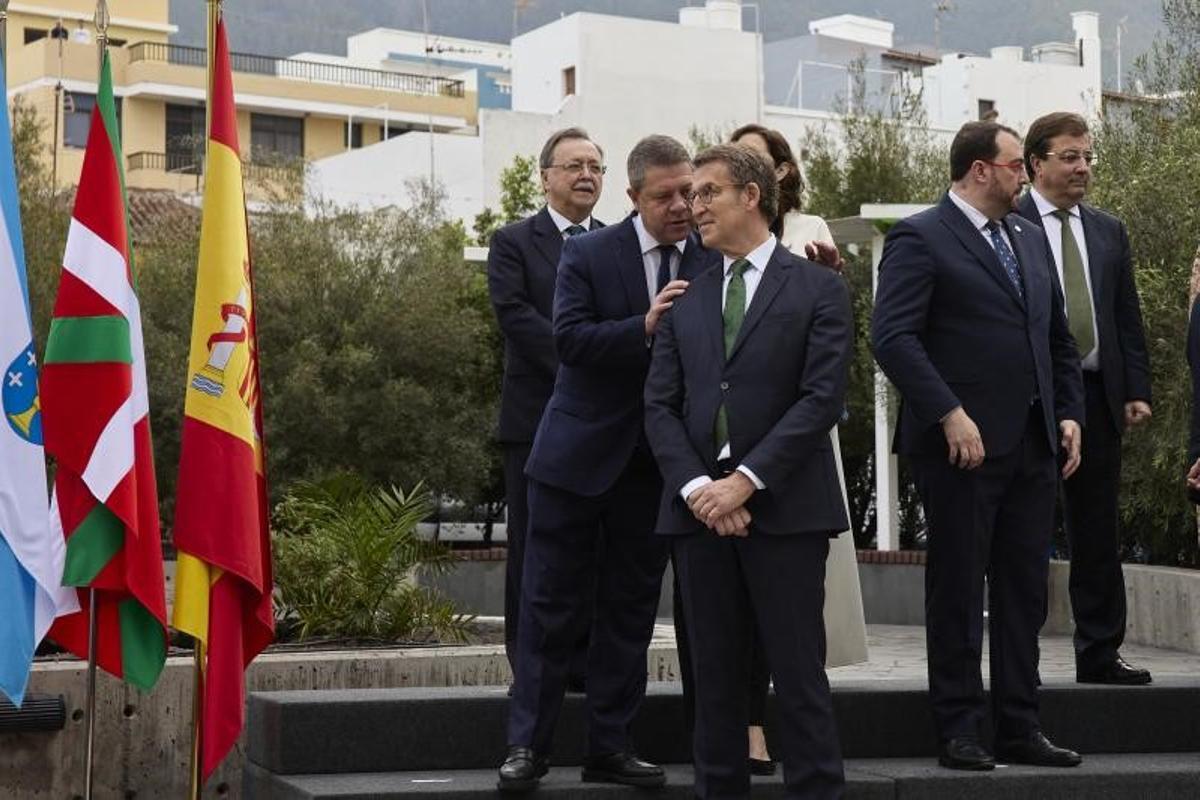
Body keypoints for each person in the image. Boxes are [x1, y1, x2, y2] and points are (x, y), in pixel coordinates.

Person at [499, 134, 718, 793]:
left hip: (654, 469)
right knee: (548, 608)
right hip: (575, 460)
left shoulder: (711, 259)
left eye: (690, 192)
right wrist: (642, 327)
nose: (681, 206)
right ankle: (525, 748)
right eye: (666, 195)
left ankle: (611, 747)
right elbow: (568, 339)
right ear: (635, 197)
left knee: (629, 611)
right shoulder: (591, 252)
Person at [871, 121, 1085, 771]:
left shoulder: (1027, 235)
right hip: (961, 448)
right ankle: (960, 726)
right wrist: (948, 413)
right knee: (960, 589)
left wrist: (1070, 413)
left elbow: (1056, 337)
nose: (1027, 176)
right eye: (1018, 165)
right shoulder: (920, 236)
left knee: (1025, 591)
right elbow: (893, 337)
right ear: (980, 170)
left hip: (1034, 444)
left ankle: (1020, 724)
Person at [645, 143, 852, 799]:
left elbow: (821, 400)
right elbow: (659, 406)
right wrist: (702, 490)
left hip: (788, 514)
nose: (692, 207)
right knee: (714, 685)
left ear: (752, 196)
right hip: (699, 519)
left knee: (799, 680)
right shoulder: (684, 300)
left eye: (707, 193)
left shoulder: (819, 287)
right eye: (689, 195)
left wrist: (747, 481)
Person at [727, 123, 868, 774]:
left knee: (802, 604)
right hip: (732, 451)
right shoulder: (717, 241)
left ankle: (805, 731)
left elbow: (837, 338)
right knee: (741, 607)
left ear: (782, 171)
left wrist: (835, 282)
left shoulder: (812, 230)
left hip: (804, 442)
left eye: (760, 157)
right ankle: (751, 727)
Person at [1017, 112, 1154, 686]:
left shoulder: (1107, 229)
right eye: (1070, 157)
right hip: (1031, 398)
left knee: (1097, 529)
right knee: (1023, 526)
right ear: (1035, 164)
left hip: (1098, 396)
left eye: (1087, 157)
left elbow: (1126, 314)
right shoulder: (1009, 224)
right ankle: (1017, 661)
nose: (1082, 168)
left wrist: (1136, 390)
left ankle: (1099, 652)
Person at [487, 127, 605, 688]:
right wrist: (584, 361)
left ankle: (584, 665)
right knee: (534, 546)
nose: (587, 175)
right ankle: (530, 668)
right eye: (575, 165)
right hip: (535, 421)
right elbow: (515, 315)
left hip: (605, 425)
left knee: (594, 548)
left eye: (597, 167)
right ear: (546, 176)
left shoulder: (616, 242)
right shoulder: (513, 241)